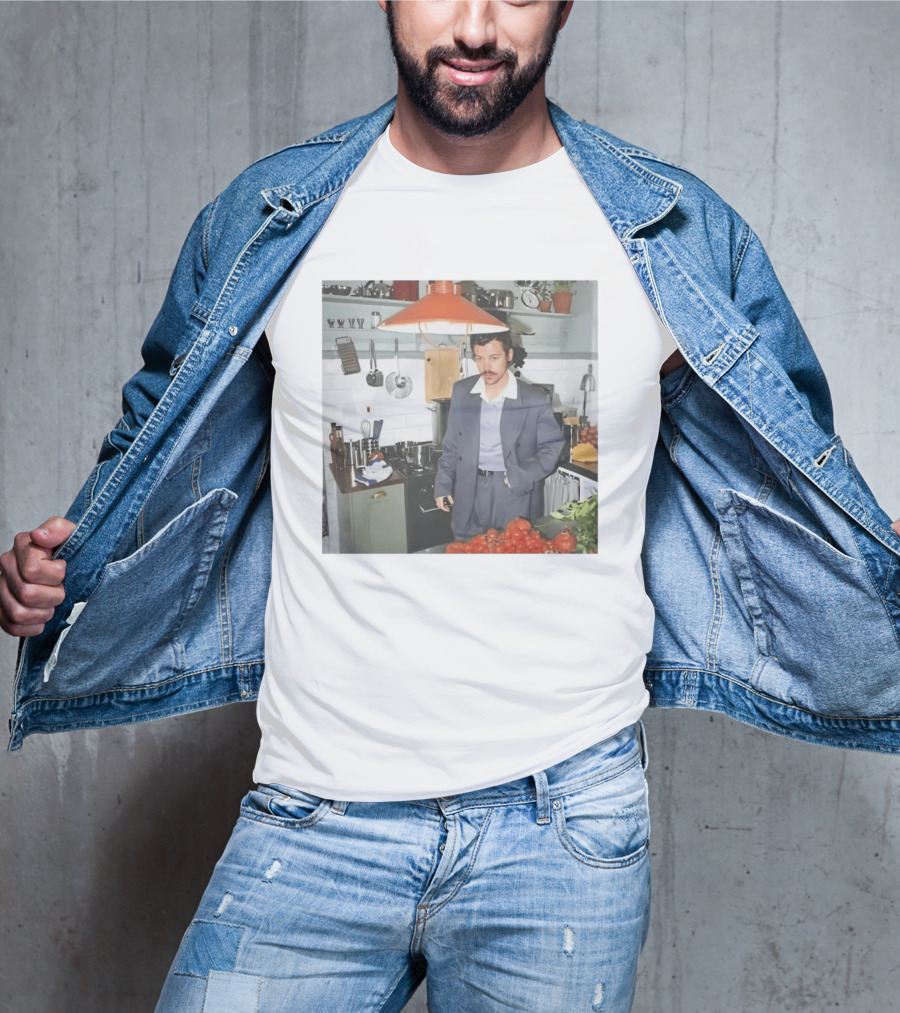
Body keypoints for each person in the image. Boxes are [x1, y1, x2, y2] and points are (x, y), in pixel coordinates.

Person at [2, 3, 899, 1011]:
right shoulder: (272, 220)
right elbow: (155, 433)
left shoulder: (672, 232)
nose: (472, 25)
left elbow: (791, 463)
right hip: (315, 809)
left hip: (564, 827)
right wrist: (67, 567)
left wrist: (869, 561)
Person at [434, 330, 564, 539]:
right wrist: (443, 484)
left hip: (513, 491)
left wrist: (519, 476)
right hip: (469, 489)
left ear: (509, 355)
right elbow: (452, 445)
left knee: (512, 554)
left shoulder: (534, 398)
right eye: (479, 359)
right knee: (468, 552)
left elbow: (552, 445)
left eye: (494, 358)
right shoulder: (462, 391)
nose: (486, 367)